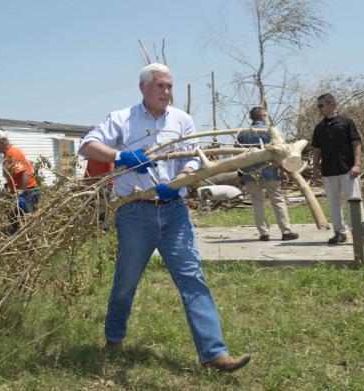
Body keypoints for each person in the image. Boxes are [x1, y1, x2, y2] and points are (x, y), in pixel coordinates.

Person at [79, 63, 250, 372]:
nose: (167, 92)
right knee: (126, 281)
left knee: (192, 278)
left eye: (170, 86)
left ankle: (213, 353)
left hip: (174, 212)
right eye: (160, 86)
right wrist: (121, 156)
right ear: (143, 88)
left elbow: (194, 160)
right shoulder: (121, 119)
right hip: (134, 213)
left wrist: (178, 181)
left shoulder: (182, 120)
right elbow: (86, 146)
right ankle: (114, 338)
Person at [236, 107, 299, 241]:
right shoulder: (271, 132)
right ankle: (286, 231)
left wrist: (240, 175)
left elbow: (237, 156)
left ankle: (264, 233)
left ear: (252, 118)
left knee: (257, 203)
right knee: (277, 201)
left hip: (249, 173)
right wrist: (283, 171)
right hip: (270, 171)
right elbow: (281, 153)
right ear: (263, 116)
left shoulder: (241, 134)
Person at [312, 93, 364, 245]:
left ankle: (359, 234)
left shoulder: (346, 122)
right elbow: (316, 150)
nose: (319, 109)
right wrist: (315, 171)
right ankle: (339, 233)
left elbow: (356, 143)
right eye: (318, 106)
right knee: (333, 204)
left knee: (354, 202)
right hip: (328, 171)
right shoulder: (319, 127)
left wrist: (357, 164)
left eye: (321, 105)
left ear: (331, 105)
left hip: (348, 170)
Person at [0, 130, 41, 234]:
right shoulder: (9, 153)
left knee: (26, 221)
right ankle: (16, 242)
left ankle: (29, 245)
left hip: (28, 193)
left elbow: (24, 173)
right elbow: (17, 173)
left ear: (1, 141)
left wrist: (20, 193)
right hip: (25, 192)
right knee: (15, 218)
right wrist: (9, 185)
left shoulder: (12, 154)